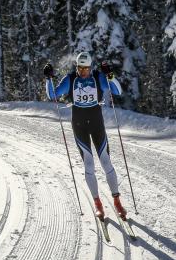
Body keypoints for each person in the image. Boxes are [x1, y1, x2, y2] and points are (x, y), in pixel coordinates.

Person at [43, 51, 127, 220]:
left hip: (96, 121)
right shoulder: (71, 79)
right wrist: (48, 78)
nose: (83, 72)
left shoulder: (97, 77)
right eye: (80, 69)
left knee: (105, 161)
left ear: (91, 67)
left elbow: (117, 91)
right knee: (89, 164)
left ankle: (117, 201)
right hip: (79, 123)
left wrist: (109, 74)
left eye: (86, 69)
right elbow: (52, 95)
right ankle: (98, 204)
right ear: (77, 67)